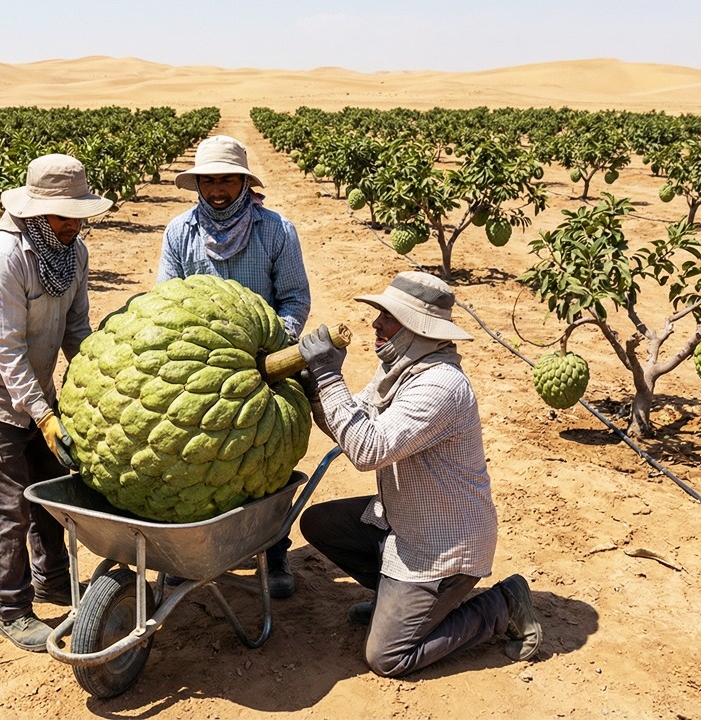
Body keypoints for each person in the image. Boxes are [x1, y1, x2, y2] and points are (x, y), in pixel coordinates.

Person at [297, 271, 542, 678]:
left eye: (388, 318)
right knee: (321, 524)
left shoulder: (441, 386)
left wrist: (328, 376)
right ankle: (400, 606)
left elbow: (367, 450)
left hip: (443, 545)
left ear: (417, 328)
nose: (375, 324)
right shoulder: (400, 369)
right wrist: (316, 392)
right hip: (405, 521)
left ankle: (502, 604)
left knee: (386, 658)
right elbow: (352, 425)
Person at [0, 154, 113, 652]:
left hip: (36, 392)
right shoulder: (4, 257)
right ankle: (12, 607)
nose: (71, 223)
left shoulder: (74, 253)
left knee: (50, 495)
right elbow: (7, 349)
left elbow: (77, 329)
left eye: (77, 213)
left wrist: (101, 381)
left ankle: (54, 580)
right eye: (61, 215)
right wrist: (41, 415)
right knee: (7, 508)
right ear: (35, 211)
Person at [157, 134, 311, 597]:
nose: (217, 190)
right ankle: (189, 548)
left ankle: (274, 548)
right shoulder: (179, 232)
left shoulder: (276, 230)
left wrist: (272, 347)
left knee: (270, 459)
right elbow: (166, 301)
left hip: (264, 367)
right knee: (191, 454)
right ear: (197, 184)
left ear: (244, 182)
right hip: (195, 372)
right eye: (209, 181)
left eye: (226, 179)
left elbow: (295, 298)